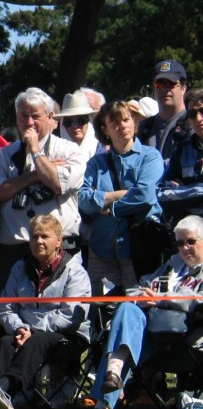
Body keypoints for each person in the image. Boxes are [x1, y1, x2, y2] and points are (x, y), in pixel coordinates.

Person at [87, 215, 203, 409]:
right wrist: (142, 296)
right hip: (150, 335)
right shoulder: (171, 267)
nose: (184, 247)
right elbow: (139, 286)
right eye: (179, 243)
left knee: (122, 333)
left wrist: (159, 298)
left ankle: (103, 404)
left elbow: (195, 300)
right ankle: (110, 384)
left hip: (184, 339)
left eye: (191, 241)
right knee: (128, 310)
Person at [0, 215, 91, 409]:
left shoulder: (75, 271)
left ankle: (3, 390)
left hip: (67, 337)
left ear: (59, 241)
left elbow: (70, 316)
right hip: (27, 333)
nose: (39, 241)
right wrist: (20, 328)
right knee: (5, 341)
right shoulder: (20, 268)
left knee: (38, 340)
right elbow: (6, 308)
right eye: (34, 237)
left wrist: (32, 330)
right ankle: (3, 402)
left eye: (45, 236)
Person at [0, 87, 86, 293]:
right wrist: (34, 176)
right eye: (24, 116)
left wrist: (36, 153)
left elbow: (58, 184)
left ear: (50, 117)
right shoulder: (4, 155)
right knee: (10, 312)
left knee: (55, 307)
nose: (29, 123)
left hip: (57, 246)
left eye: (35, 116)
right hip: (14, 247)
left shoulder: (68, 151)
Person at [78, 101, 164, 290]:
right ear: (105, 129)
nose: (122, 126)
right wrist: (117, 194)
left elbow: (145, 195)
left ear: (134, 123)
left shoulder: (151, 156)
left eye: (126, 120)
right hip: (101, 249)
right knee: (100, 310)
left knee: (136, 309)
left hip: (139, 248)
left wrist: (109, 207)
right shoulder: (96, 163)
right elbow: (83, 200)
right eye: (115, 123)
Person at [158, 88, 203, 225]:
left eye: (202, 111)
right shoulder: (182, 150)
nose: (198, 118)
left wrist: (185, 190)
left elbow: (177, 195)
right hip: (191, 227)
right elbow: (163, 194)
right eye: (192, 114)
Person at [137, 60, 190, 168]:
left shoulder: (193, 123)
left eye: (171, 84)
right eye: (159, 84)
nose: (165, 89)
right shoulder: (144, 127)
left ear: (183, 88)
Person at [54, 91, 104, 162]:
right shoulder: (55, 154)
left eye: (81, 120)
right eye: (68, 122)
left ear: (89, 123)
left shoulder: (103, 152)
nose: (75, 126)